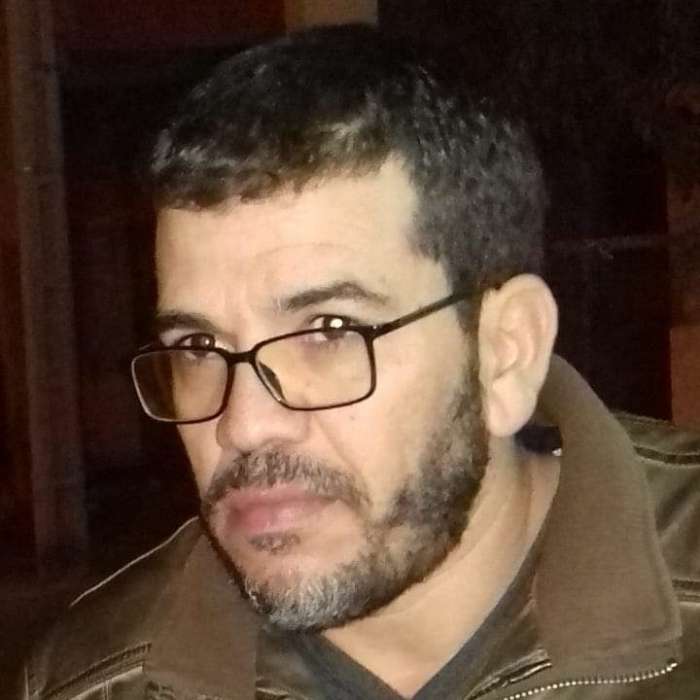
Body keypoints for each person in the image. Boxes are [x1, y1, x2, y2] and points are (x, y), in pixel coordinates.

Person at [20, 25, 699, 700]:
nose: (244, 426)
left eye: (329, 331)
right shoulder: (94, 683)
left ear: (505, 351)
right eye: (198, 348)